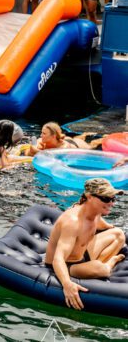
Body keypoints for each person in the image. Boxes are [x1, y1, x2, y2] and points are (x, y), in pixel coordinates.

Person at [44, 178, 125, 310]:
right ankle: (109, 264)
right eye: (106, 199)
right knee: (102, 269)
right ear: (89, 197)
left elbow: (109, 228)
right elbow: (58, 259)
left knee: (118, 234)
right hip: (67, 265)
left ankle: (94, 266)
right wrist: (67, 284)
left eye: (113, 198)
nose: (111, 203)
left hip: (83, 254)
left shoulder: (96, 213)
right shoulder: (73, 222)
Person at [27, 122, 98, 156]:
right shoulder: (42, 141)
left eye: (44, 134)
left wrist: (37, 151)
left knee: (93, 146)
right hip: (63, 139)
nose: (41, 135)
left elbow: (53, 158)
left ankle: (86, 134)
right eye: (41, 133)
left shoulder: (64, 148)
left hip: (78, 145)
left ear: (53, 136)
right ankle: (84, 135)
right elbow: (28, 152)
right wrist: (32, 148)